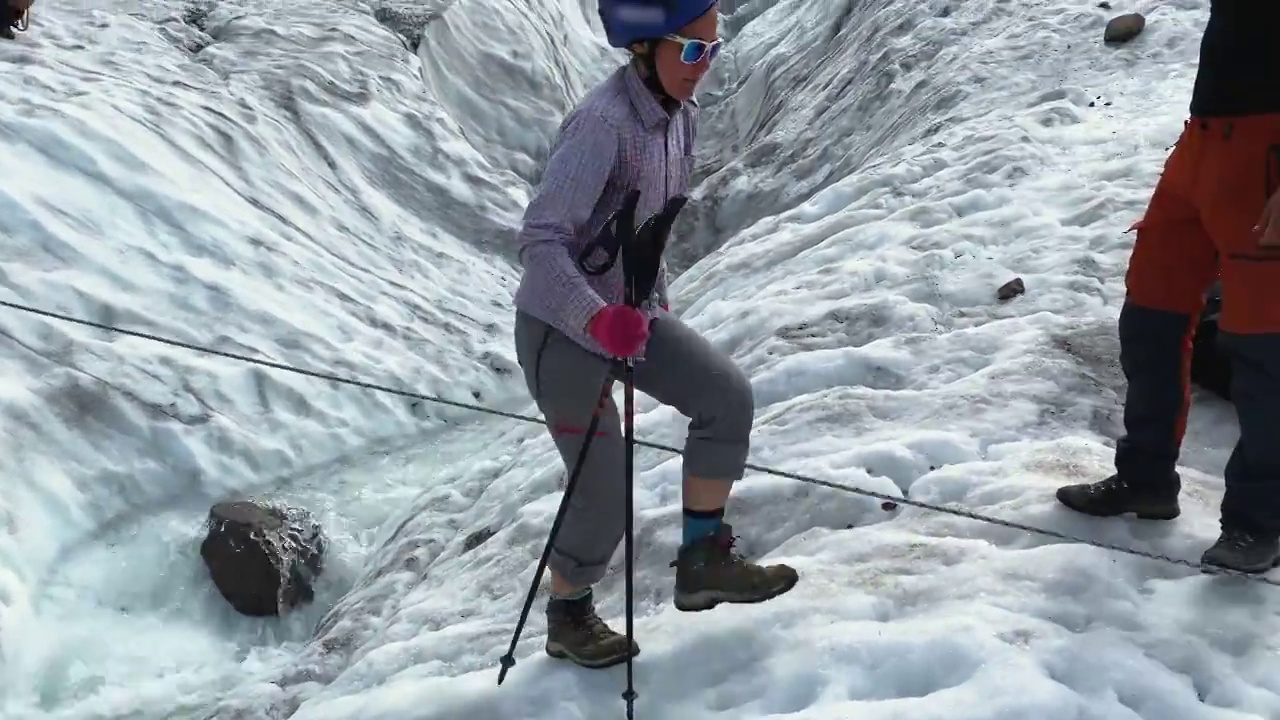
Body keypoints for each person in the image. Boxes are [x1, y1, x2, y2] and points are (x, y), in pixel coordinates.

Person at [510, 0, 798, 670]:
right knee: (603, 490)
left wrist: (645, 305)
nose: (705, 66)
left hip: (630, 317)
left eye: (713, 51)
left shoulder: (680, 118)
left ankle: (702, 561)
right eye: (694, 50)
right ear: (646, 46)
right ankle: (568, 616)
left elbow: (647, 228)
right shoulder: (601, 126)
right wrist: (596, 318)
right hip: (560, 328)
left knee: (725, 396)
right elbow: (543, 243)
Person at [1055, 0, 1280, 574]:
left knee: (1263, 352)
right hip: (1202, 146)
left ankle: (1259, 524)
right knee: (1151, 317)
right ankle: (1145, 479)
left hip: (1268, 159)